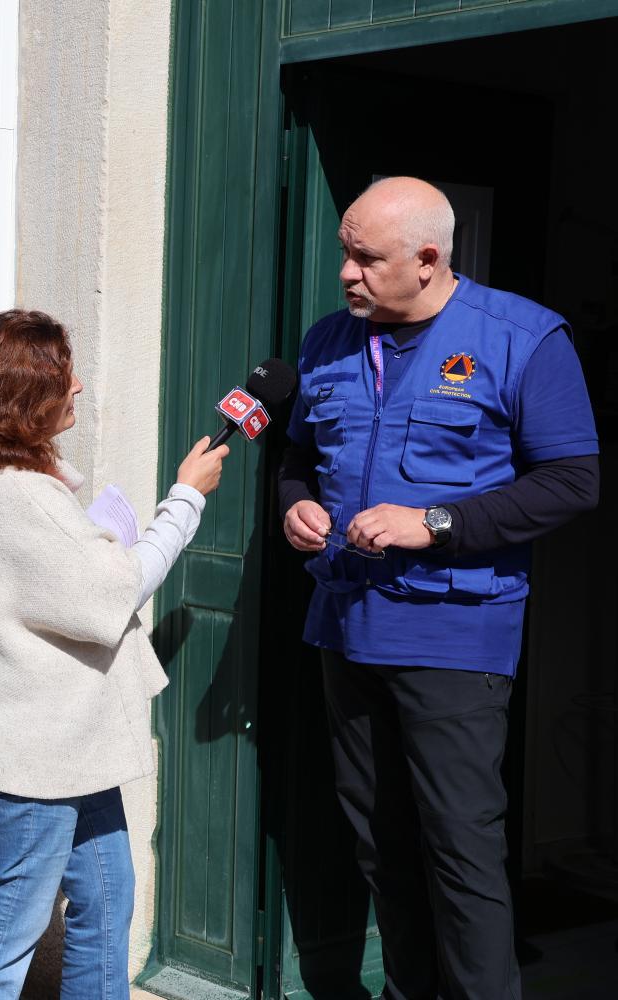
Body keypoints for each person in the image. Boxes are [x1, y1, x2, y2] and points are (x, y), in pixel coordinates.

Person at [279, 176, 600, 1000]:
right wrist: (298, 506)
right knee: (379, 845)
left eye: (365, 257)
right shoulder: (326, 343)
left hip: (455, 637)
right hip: (344, 627)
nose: (346, 272)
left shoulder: (521, 339)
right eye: (345, 252)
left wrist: (438, 523)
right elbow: (297, 461)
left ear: (427, 259)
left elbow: (572, 481)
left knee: (460, 851)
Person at [0, 309, 230, 999]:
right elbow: (116, 591)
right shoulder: (18, 495)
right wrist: (185, 500)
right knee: (2, 937)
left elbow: (46, 579)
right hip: (34, 757)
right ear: (25, 398)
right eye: (64, 376)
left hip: (63, 742)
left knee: (109, 894)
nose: (80, 386)